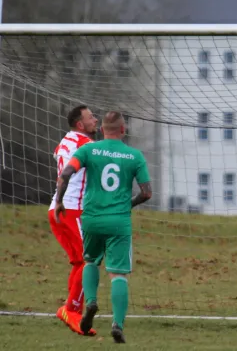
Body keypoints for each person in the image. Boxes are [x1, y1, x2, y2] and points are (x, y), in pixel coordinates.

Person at [55, 111, 152, 343]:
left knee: (90, 261)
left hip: (92, 218)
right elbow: (147, 192)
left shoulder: (88, 150)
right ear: (123, 130)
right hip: (118, 221)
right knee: (118, 273)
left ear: (101, 130)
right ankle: (117, 324)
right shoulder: (135, 156)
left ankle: (90, 303)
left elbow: (67, 172)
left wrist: (59, 200)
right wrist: (130, 203)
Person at [48, 105, 98, 335]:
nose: (95, 120)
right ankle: (71, 310)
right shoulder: (85, 145)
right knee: (90, 261)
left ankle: (71, 310)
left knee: (80, 261)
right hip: (71, 210)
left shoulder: (65, 141)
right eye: (91, 118)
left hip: (58, 209)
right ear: (80, 124)